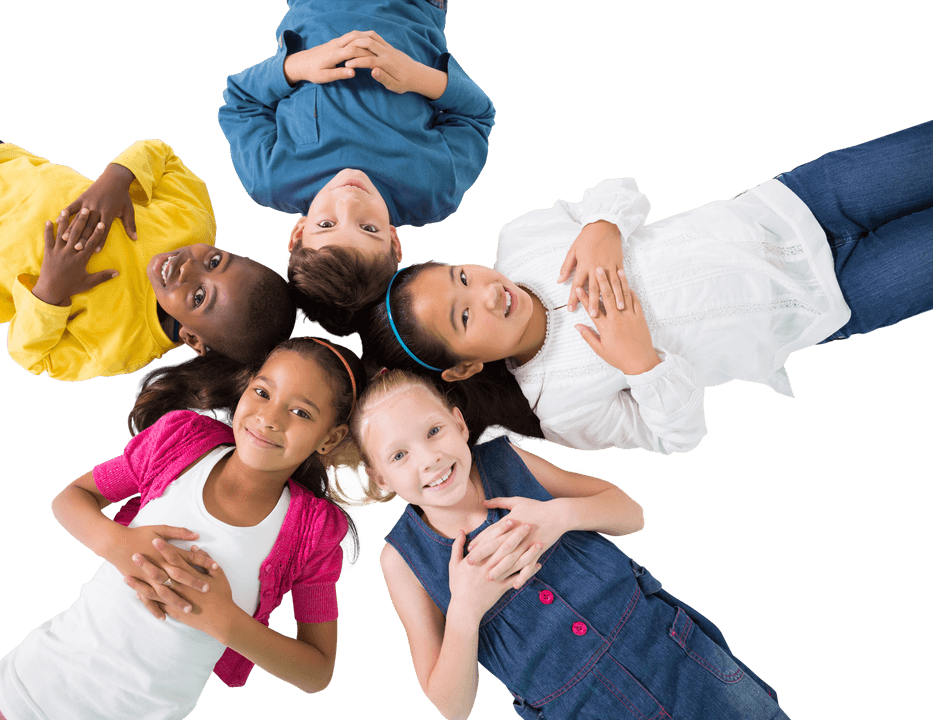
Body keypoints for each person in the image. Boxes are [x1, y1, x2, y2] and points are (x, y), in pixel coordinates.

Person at [360, 120, 933, 453]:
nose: (486, 293)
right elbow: (678, 436)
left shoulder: (521, 240)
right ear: (463, 368)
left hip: (794, 204)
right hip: (832, 300)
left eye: (462, 276)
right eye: (463, 318)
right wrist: (642, 364)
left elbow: (621, 190)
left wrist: (603, 225)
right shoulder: (560, 409)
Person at [0, 337, 366, 720]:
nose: (269, 418)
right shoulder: (181, 442)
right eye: (262, 392)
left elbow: (317, 672)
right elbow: (71, 498)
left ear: (329, 438)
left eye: (301, 412)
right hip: (29, 691)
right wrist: (119, 545)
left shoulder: (315, 533)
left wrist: (223, 620)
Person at [346, 369, 789, 720]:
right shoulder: (401, 559)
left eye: (434, 431)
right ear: (380, 477)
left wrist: (559, 516)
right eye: (399, 455)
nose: (430, 459)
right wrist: (465, 609)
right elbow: (452, 707)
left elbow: (631, 514)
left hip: (674, 656)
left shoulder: (505, 460)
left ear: (459, 424)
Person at [0, 84, 295, 381]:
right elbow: (162, 155)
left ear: (192, 339)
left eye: (199, 297)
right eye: (216, 261)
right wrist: (117, 178)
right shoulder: (192, 219)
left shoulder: (123, 347)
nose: (189, 268)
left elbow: (34, 357)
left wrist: (52, 291)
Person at [218, 0, 495, 335]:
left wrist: (294, 67)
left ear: (299, 233)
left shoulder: (269, 178)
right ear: (393, 241)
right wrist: (418, 77)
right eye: (369, 228)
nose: (349, 201)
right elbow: (477, 116)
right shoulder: (433, 188)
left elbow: (240, 101)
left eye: (326, 224)